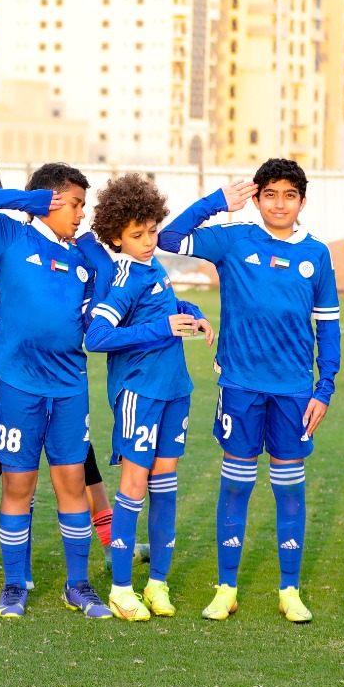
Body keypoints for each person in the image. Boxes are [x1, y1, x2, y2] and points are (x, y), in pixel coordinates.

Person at [157, 158, 340, 623]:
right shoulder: (234, 239)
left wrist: (324, 388)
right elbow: (168, 238)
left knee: (289, 490)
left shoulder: (316, 254)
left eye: (289, 195)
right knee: (236, 486)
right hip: (240, 385)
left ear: (302, 202)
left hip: (294, 392)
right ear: (257, 200)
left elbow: (328, 326)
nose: (279, 204)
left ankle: (290, 590)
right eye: (270, 194)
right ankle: (227, 588)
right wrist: (217, 202)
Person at [0, 162, 110, 619]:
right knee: (19, 483)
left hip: (70, 386)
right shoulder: (11, 236)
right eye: (75, 204)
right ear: (50, 201)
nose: (81, 214)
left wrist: (98, 258)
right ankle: (15, 585)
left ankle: (78, 585)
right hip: (17, 384)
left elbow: (102, 304)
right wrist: (29, 201)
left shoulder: (80, 256)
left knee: (72, 482)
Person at [82, 174, 214, 620]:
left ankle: (157, 583)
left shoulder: (153, 265)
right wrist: (162, 329)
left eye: (152, 231)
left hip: (175, 389)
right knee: (134, 486)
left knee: (165, 487)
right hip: (139, 392)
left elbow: (164, 306)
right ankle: (121, 589)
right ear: (116, 236)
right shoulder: (124, 277)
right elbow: (97, 336)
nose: (148, 241)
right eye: (137, 235)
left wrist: (193, 313)